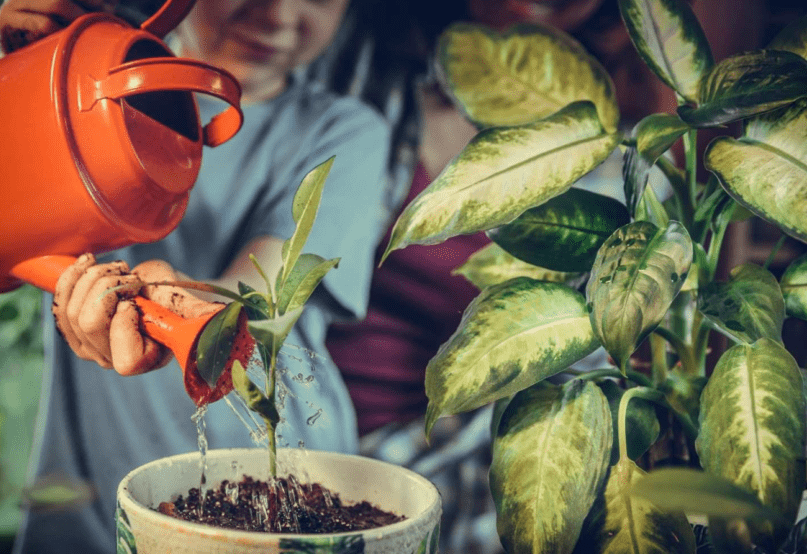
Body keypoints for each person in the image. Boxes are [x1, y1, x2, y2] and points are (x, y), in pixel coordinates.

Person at [0, 1, 396, 552]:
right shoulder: (79, 82)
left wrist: (184, 315)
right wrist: (24, 73)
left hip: (282, 489)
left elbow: (263, 299)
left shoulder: (343, 129)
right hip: (92, 505)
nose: (281, 14)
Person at [323, 0, 766, 552]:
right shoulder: (369, 75)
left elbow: (692, 324)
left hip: (540, 438)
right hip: (369, 450)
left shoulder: (636, 129)